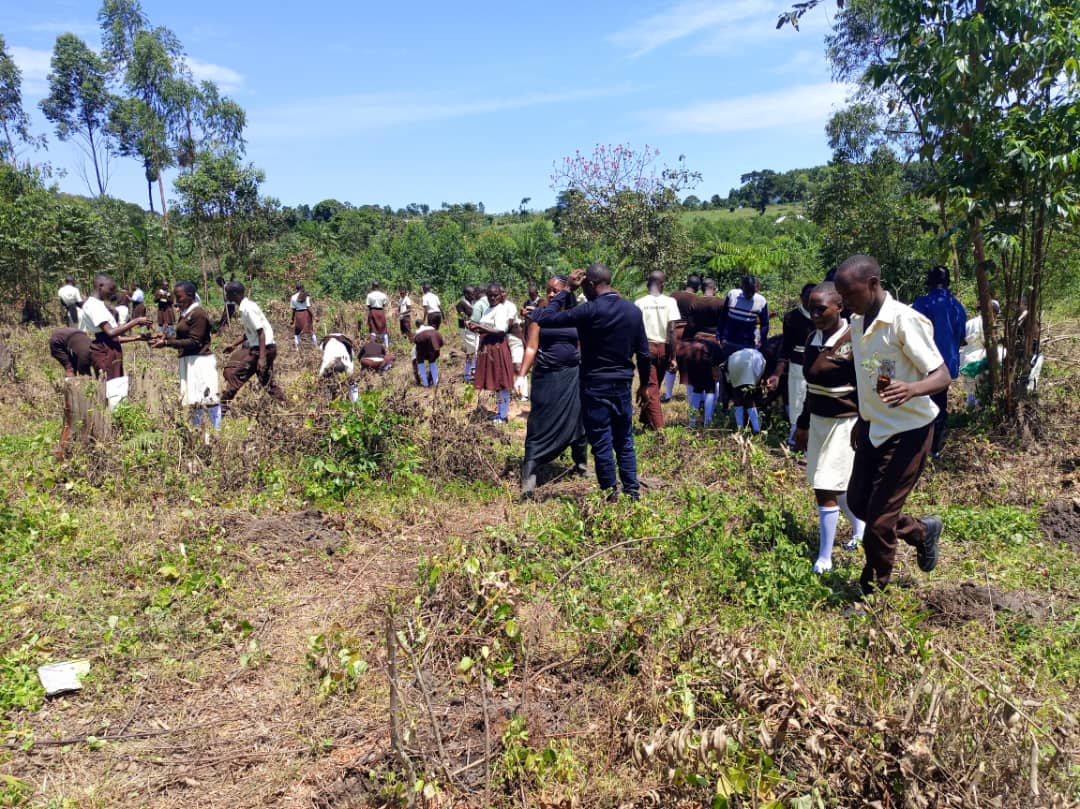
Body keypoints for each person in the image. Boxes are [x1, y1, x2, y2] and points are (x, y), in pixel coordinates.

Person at [834, 255, 949, 597]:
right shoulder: (858, 322)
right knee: (857, 503)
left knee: (879, 522)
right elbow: (870, 376)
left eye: (850, 295)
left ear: (872, 284)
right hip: (874, 428)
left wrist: (912, 388)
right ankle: (921, 532)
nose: (845, 304)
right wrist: (861, 417)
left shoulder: (904, 321)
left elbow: (942, 375)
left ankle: (873, 593)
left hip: (909, 430)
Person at [533, 264, 650, 500]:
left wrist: (567, 290)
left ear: (591, 284)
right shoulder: (632, 311)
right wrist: (645, 385)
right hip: (623, 384)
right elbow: (644, 354)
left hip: (594, 385)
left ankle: (611, 494)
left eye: (585, 285)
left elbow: (542, 317)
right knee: (624, 439)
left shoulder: (589, 311)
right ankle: (632, 493)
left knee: (601, 440)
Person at [792, 283, 866, 572]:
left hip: (844, 423)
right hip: (820, 422)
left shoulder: (853, 340)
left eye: (821, 308)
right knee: (837, 486)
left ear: (840, 306)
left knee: (824, 486)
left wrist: (864, 422)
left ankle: (825, 558)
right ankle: (861, 527)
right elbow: (812, 388)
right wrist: (802, 423)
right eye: (812, 308)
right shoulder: (813, 338)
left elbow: (866, 387)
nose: (815, 314)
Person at [516, 274, 589, 498]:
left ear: (566, 292)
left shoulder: (577, 314)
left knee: (578, 420)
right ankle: (529, 473)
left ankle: (581, 464)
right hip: (546, 376)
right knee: (539, 422)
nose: (549, 294)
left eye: (555, 291)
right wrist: (521, 375)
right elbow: (531, 347)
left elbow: (582, 345)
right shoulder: (542, 313)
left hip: (572, 375)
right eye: (548, 290)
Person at [150, 281, 221, 429]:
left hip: (200, 361)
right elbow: (183, 338)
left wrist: (168, 343)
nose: (177, 301)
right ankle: (198, 433)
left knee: (209, 399)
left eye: (179, 297)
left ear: (190, 296)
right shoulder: (186, 314)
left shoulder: (198, 314)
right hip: (189, 361)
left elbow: (195, 342)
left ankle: (216, 432)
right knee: (194, 399)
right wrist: (165, 338)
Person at [912, 266, 967, 458]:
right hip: (947, 365)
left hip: (924, 366)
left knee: (922, 405)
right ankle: (934, 448)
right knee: (940, 405)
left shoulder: (923, 303)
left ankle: (922, 449)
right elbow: (961, 338)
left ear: (929, 282)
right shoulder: (958, 306)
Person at [220, 281, 286, 411]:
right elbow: (249, 333)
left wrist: (261, 358)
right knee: (266, 381)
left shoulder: (248, 309)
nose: (225, 295)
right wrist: (233, 345)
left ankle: (219, 412)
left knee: (235, 377)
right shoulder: (245, 307)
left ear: (234, 294)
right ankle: (285, 405)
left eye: (226, 293)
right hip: (265, 348)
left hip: (262, 350)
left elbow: (261, 333)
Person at [767, 283, 816, 445]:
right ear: (801, 297)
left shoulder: (823, 315)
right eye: (807, 296)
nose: (809, 299)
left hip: (819, 364)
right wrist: (777, 373)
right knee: (797, 399)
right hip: (798, 364)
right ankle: (794, 437)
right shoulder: (791, 317)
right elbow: (786, 347)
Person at [79, 274, 152, 381]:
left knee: (116, 384)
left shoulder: (98, 304)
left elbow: (113, 337)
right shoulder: (93, 305)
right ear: (100, 286)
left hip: (109, 347)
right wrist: (136, 321)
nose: (112, 293)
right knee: (111, 386)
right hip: (106, 351)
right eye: (111, 289)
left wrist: (137, 337)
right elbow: (111, 333)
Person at [634, 271, 681, 429]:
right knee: (653, 387)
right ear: (663, 285)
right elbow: (672, 331)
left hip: (646, 347)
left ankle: (652, 423)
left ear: (648, 284)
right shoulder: (670, 302)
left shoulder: (639, 303)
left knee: (652, 387)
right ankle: (658, 428)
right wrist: (673, 356)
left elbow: (635, 329)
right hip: (664, 348)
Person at [468, 284, 515, 423]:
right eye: (490, 295)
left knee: (501, 380)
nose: (493, 297)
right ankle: (500, 412)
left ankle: (503, 415)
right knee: (496, 380)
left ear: (500, 296)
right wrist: (475, 328)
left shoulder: (500, 309)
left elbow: (500, 331)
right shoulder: (489, 309)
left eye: (495, 295)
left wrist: (480, 326)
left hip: (497, 347)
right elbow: (487, 327)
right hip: (488, 347)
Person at [662, 274, 700, 402]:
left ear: (686, 284)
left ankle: (668, 395)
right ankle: (690, 398)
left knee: (670, 363)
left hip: (672, 331)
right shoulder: (696, 299)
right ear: (698, 287)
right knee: (688, 367)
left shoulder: (673, 295)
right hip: (687, 333)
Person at [726, 347, 766, 433]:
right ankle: (756, 429)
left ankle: (739, 428)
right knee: (749, 400)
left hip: (733, 362)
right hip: (747, 364)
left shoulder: (738, 353)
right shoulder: (761, 357)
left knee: (737, 399)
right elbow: (758, 374)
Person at [319, 332, 357, 401]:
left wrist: (320, 376)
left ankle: (327, 400)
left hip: (330, 363)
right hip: (343, 362)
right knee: (352, 382)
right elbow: (352, 358)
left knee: (326, 382)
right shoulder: (346, 342)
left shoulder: (324, 342)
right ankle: (355, 400)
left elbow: (322, 357)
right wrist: (351, 374)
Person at [413, 319, 445, 387]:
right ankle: (435, 382)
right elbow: (441, 340)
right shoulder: (432, 328)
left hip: (422, 338)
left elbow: (416, 341)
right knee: (432, 361)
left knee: (420, 361)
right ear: (423, 323)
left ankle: (425, 383)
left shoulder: (418, 332)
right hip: (435, 338)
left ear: (417, 325)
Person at [456, 286, 478, 381]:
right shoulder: (461, 303)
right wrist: (467, 320)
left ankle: (470, 371)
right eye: (471, 294)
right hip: (465, 330)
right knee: (472, 350)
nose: (473, 295)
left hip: (473, 330)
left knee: (474, 350)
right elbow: (463, 316)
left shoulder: (473, 302)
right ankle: (468, 374)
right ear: (466, 294)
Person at [291, 284, 317, 349]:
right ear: (302, 288)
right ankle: (316, 347)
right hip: (306, 314)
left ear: (296, 289)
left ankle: (297, 349)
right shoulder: (306, 296)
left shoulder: (293, 297)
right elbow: (308, 307)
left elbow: (293, 309)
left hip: (298, 315)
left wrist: (292, 319)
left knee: (297, 333)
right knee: (311, 331)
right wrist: (314, 316)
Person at [365, 282, 390, 348]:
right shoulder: (383, 295)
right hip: (381, 312)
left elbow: (368, 305)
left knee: (373, 329)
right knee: (384, 329)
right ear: (379, 287)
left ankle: (372, 346)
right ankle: (387, 347)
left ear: (372, 287)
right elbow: (384, 305)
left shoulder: (369, 295)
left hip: (373, 311)